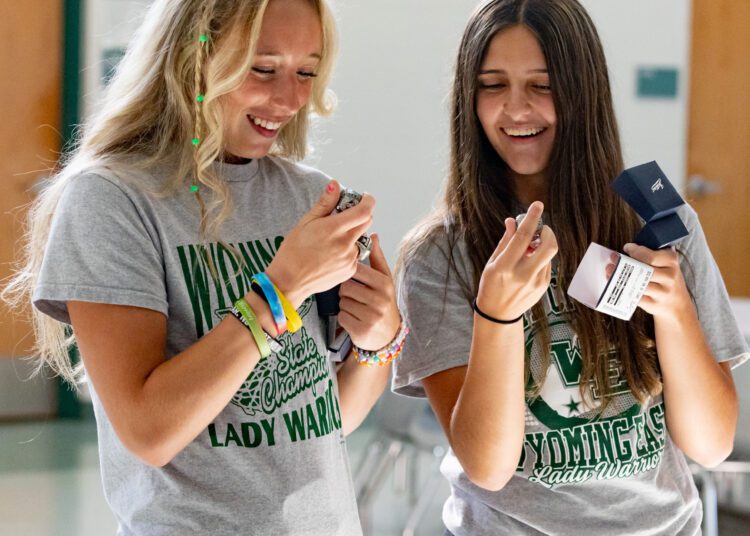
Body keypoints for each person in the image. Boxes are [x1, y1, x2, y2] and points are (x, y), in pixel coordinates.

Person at [2, 0, 406, 534]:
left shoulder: (311, 196)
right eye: (263, 68)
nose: (291, 98)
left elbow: (327, 425)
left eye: (307, 72)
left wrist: (378, 342)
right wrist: (281, 290)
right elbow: (149, 433)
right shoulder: (110, 199)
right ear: (192, 60)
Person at [392, 0, 749, 534]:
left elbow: (712, 445)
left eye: (542, 85)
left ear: (585, 91)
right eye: (492, 84)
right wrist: (496, 317)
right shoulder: (439, 256)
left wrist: (675, 312)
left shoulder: (659, 223)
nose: (516, 108)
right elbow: (487, 467)